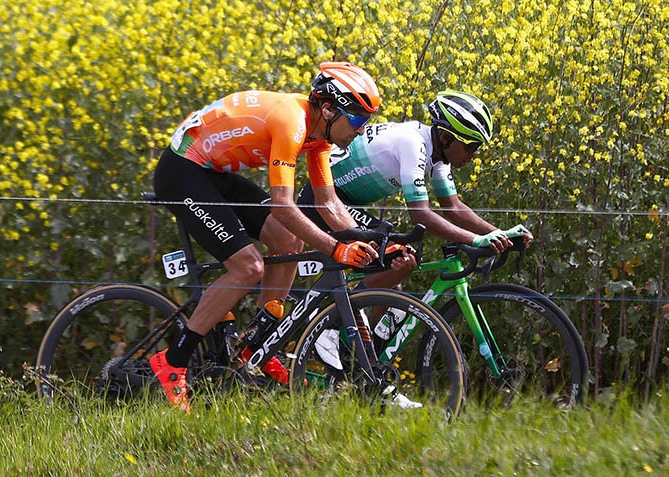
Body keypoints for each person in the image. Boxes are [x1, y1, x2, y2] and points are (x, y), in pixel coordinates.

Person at [149, 62, 382, 411]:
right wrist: (336, 248)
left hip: (212, 171)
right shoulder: (293, 122)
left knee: (289, 242)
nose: (361, 131)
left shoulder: (318, 137)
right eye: (358, 121)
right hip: (182, 170)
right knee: (248, 267)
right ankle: (174, 361)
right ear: (330, 109)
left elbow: (328, 202)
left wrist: (369, 241)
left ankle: (259, 343)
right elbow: (284, 206)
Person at [297, 89, 534, 305]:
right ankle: (335, 324)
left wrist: (497, 234)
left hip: (343, 201)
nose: (474, 155)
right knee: (401, 256)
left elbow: (453, 207)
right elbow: (420, 213)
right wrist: (475, 239)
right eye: (471, 146)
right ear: (445, 137)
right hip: (324, 200)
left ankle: (373, 347)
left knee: (396, 270)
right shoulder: (413, 143)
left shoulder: (437, 153)